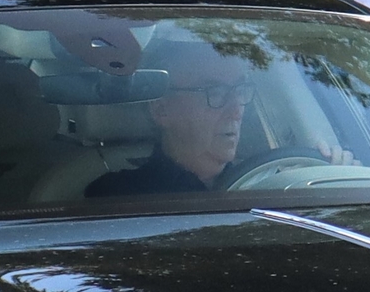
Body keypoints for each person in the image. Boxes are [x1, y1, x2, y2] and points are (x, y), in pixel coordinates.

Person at [86, 40, 255, 198]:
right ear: (161, 110)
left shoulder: (269, 181)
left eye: (240, 91)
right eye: (215, 93)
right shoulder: (119, 196)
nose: (236, 111)